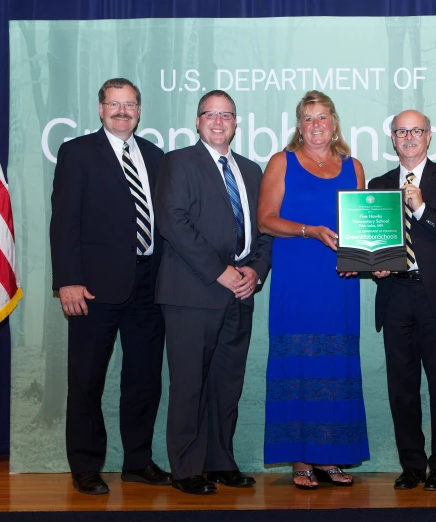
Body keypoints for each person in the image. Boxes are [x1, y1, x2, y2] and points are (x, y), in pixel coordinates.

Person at [50, 78, 170, 495]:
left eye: (130, 104)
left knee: (144, 379)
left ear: (140, 109)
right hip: (93, 287)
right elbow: (64, 221)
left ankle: (138, 461)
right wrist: (67, 280)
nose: (122, 111)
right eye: (114, 104)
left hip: (148, 286)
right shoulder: (78, 152)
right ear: (100, 109)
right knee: (87, 380)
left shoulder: (155, 157)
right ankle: (85, 465)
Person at [154, 90, 272, 495]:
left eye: (227, 115)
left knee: (227, 384)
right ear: (198, 121)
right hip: (192, 291)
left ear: (237, 123)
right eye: (210, 114)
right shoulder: (178, 162)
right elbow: (173, 222)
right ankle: (186, 469)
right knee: (189, 384)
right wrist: (221, 271)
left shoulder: (252, 171)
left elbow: (265, 230)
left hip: (240, 293)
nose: (219, 121)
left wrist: (255, 271)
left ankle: (220, 462)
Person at [258, 90, 369, 489]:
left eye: (323, 117)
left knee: (336, 366)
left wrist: (367, 261)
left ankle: (331, 456)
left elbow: (364, 224)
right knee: (301, 364)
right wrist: (309, 231)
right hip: (297, 279)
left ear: (334, 123)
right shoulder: (281, 162)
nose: (316, 125)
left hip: (339, 281)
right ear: (299, 125)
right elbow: (266, 220)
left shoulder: (353, 166)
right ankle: (302, 459)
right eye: (308, 118)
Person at [370, 110, 436, 491]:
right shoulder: (379, 183)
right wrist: (373, 264)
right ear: (393, 138)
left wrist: (422, 209)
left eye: (416, 130)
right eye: (401, 131)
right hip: (395, 293)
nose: (409, 137)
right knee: (402, 386)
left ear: (429, 136)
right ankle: (412, 465)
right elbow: (371, 242)